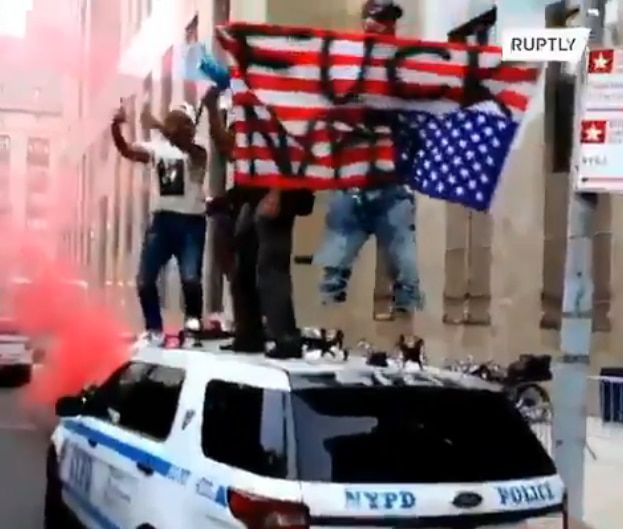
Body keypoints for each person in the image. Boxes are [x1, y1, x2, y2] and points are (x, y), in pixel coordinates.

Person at [314, 0, 425, 315]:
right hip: (352, 181)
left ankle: (408, 336)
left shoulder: (405, 66)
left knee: (408, 273)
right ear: (366, 21)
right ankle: (329, 330)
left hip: (392, 184)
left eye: (390, 20)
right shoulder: (345, 64)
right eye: (380, 18)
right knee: (334, 273)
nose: (386, 26)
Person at [202, 85, 314, 358]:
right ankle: (249, 334)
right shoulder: (249, 112)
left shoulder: (277, 105)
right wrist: (212, 109)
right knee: (243, 267)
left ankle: (286, 337)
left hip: (279, 193)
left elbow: (290, 151)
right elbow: (229, 147)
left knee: (271, 266)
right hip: (254, 197)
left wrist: (277, 192)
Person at [111, 101, 208, 344]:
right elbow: (127, 150)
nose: (179, 127)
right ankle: (154, 328)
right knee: (145, 279)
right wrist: (115, 127)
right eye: (174, 121)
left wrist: (157, 124)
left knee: (190, 277)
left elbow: (187, 148)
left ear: (191, 128)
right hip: (162, 221)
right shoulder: (156, 149)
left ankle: (193, 321)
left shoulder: (198, 150)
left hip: (191, 222)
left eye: (184, 123)